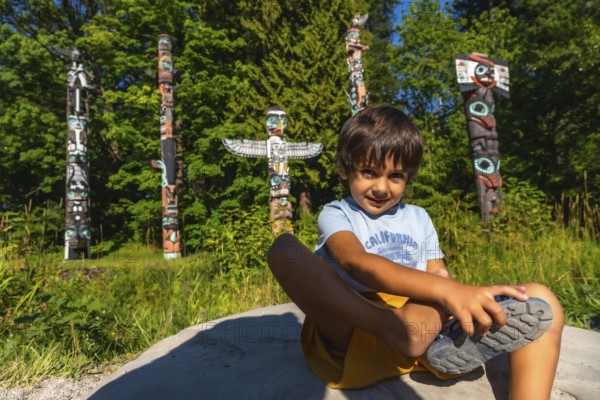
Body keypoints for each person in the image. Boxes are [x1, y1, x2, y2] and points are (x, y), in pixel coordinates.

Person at [267, 105, 564, 399]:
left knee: (540, 298)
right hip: (355, 323)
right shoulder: (337, 213)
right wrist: (447, 293)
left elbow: (436, 272)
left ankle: (461, 346)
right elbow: (356, 262)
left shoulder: (419, 217)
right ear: (345, 168)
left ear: (409, 176)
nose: (382, 187)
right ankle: (398, 330)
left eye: (395, 176)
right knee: (284, 249)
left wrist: (454, 292)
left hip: (419, 329)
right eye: (369, 172)